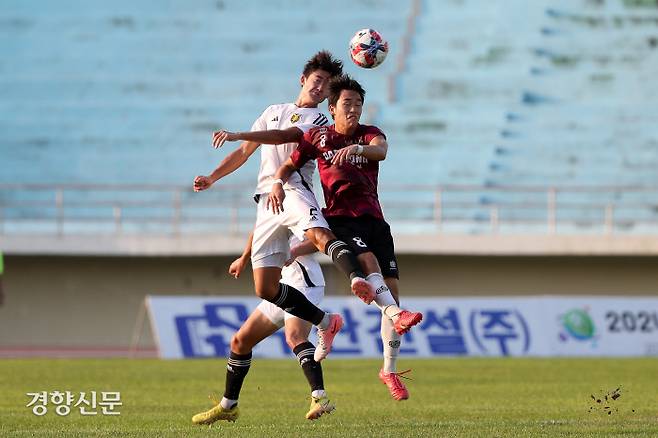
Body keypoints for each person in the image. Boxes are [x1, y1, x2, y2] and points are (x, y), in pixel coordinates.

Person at [218, 74, 423, 401]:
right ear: (333, 108)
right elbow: (288, 164)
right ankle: (376, 313)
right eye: (347, 103)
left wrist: (358, 148)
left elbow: (380, 151)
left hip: (375, 220)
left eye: (358, 103)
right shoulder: (319, 136)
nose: (354, 108)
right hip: (342, 217)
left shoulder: (370, 134)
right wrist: (275, 181)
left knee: (392, 294)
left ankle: (389, 368)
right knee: (366, 262)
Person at [193, 51, 374, 364]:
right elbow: (243, 153)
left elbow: (283, 137)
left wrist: (238, 132)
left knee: (318, 235)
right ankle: (326, 322)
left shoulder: (317, 120)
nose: (320, 88)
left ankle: (356, 277)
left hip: (292, 187)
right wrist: (212, 177)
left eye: (327, 85)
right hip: (266, 199)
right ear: (303, 80)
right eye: (317, 81)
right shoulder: (273, 110)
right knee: (265, 288)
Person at [192, 232, 334, 425]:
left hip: (304, 282)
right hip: (281, 286)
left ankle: (319, 397)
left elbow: (321, 239)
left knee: (295, 336)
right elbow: (257, 231)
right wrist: (244, 258)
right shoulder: (269, 208)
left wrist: (293, 251)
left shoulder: (298, 204)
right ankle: (229, 406)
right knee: (240, 342)